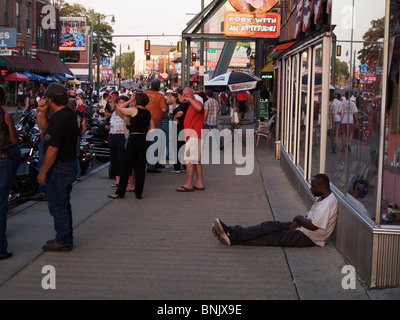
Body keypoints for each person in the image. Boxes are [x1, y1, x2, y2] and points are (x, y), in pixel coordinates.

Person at [212, 174, 338, 248]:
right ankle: (232, 232)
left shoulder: (327, 204)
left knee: (272, 237)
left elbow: (314, 226)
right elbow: (311, 219)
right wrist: (299, 222)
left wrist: (299, 218)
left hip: (309, 237)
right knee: (270, 226)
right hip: (303, 229)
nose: (310, 189)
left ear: (321, 187)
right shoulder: (323, 198)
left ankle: (233, 236)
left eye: (313, 186)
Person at [37, 84, 78, 252]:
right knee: (63, 204)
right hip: (68, 164)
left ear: (51, 98)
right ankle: (64, 236)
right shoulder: (67, 115)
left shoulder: (60, 118)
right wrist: (43, 111)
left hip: (60, 166)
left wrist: (43, 171)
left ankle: (63, 239)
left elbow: (53, 149)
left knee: (57, 205)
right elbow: (44, 129)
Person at [108, 93, 154, 200]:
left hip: (134, 139)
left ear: (136, 100)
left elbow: (120, 108)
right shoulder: (148, 112)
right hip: (144, 139)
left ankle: (120, 192)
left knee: (126, 166)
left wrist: (129, 100)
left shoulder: (134, 110)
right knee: (140, 167)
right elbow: (152, 127)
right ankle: (138, 193)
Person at [0, 85, 19, 260]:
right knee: (1, 205)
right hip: (2, 159)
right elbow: (14, 140)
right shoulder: (6, 116)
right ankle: (1, 249)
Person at [176, 88, 205, 192]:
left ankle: (189, 184)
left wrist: (190, 99)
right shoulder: (190, 104)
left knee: (189, 160)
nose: (185, 96)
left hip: (194, 135)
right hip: (194, 135)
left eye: (187, 94)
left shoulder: (196, 102)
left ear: (193, 94)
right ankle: (199, 183)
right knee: (195, 160)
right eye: (184, 95)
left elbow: (199, 108)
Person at [145, 79, 168, 173]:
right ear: (159, 86)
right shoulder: (160, 96)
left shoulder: (144, 93)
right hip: (156, 122)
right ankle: (151, 165)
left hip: (144, 121)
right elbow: (163, 109)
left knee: (147, 144)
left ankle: (153, 163)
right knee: (155, 144)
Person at [106, 95, 128, 188]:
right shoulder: (114, 113)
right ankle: (118, 179)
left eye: (123, 103)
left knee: (121, 159)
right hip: (113, 136)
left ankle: (124, 180)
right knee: (114, 159)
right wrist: (107, 127)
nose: (121, 104)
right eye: (119, 102)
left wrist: (117, 108)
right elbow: (110, 123)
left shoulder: (127, 112)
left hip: (122, 137)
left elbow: (124, 118)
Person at [171, 90, 189, 173]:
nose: (178, 97)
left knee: (178, 147)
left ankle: (177, 167)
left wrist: (175, 117)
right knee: (184, 148)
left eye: (178, 95)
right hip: (185, 128)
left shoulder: (183, 105)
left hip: (180, 128)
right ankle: (185, 166)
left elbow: (180, 113)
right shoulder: (188, 104)